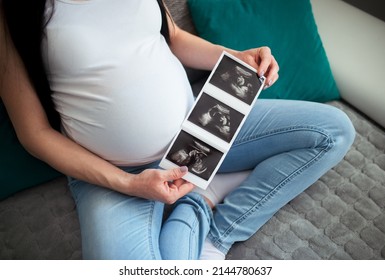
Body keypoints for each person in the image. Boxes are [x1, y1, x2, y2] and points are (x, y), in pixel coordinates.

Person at [0, 0, 355, 260]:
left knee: (333, 132)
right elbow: (33, 133)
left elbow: (173, 37)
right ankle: (198, 198)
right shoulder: (14, 14)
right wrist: (127, 184)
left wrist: (235, 57)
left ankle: (212, 225)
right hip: (114, 173)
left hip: (200, 131)